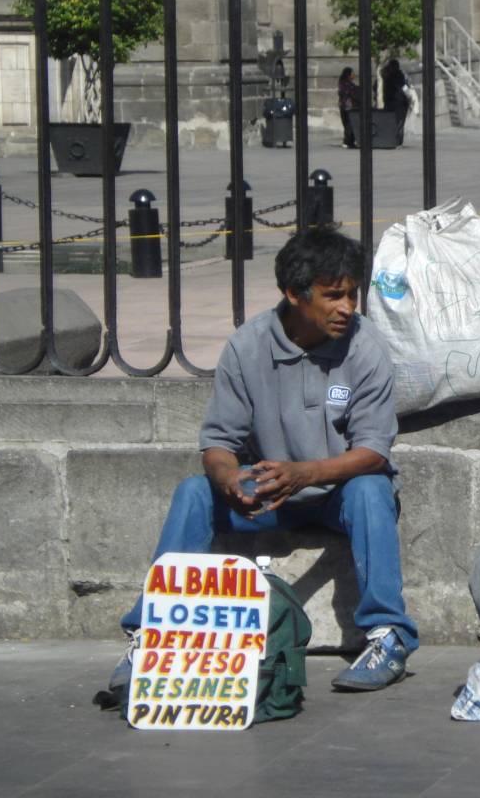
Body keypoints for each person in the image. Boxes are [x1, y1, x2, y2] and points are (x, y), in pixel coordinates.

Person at [113, 227, 419, 692]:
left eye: (353, 295)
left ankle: (388, 634)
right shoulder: (247, 346)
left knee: (372, 489)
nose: (347, 308)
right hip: (269, 491)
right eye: (333, 296)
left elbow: (374, 451)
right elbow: (218, 441)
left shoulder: (367, 349)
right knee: (195, 492)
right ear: (295, 295)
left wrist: (307, 474)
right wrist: (228, 477)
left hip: (336, 491)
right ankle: (150, 635)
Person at [381, 58, 411, 146]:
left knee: (391, 121)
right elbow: (404, 86)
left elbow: (382, 72)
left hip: (390, 101)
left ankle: (392, 139)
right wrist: (409, 97)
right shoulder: (399, 75)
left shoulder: (387, 75)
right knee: (399, 122)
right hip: (399, 102)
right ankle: (397, 140)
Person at [337, 67, 360, 149]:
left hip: (345, 106)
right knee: (349, 125)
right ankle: (347, 141)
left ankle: (350, 141)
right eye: (352, 73)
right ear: (349, 75)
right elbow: (351, 92)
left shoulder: (346, 83)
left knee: (349, 125)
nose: (354, 75)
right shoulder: (345, 84)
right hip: (348, 107)